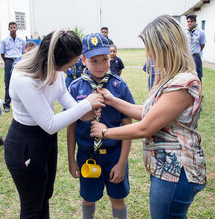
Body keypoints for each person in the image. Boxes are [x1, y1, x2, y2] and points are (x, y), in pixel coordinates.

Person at [90, 15, 206, 219]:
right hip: (166, 170)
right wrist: (113, 100)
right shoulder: (169, 77)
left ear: (165, 46)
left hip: (177, 172)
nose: (149, 54)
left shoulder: (183, 83)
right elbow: (149, 112)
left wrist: (105, 132)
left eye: (150, 47)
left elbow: (145, 127)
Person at [4, 30, 105, 219]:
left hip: (46, 141)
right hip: (26, 143)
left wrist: (83, 112)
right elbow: (50, 123)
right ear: (55, 61)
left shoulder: (53, 67)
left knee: (45, 195)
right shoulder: (24, 78)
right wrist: (86, 104)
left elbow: (62, 93)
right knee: (32, 206)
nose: (69, 69)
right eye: (70, 65)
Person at [67, 33, 134, 219]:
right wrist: (72, 159)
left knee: (117, 198)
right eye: (93, 60)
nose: (100, 65)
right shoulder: (75, 88)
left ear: (110, 57)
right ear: (82, 60)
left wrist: (121, 163)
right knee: (88, 199)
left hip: (114, 154)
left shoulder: (119, 86)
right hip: (87, 155)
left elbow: (127, 126)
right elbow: (70, 127)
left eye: (105, 59)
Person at [0, 21, 26, 112]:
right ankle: (7, 105)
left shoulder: (22, 40)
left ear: (17, 29)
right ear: (8, 29)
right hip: (9, 61)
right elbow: (2, 53)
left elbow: (23, 52)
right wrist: (8, 62)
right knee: (8, 83)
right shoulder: (4, 41)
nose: (13, 29)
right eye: (11, 28)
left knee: (21, 81)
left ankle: (23, 103)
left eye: (14, 27)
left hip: (19, 62)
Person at [185, 14, 206, 83]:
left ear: (195, 22)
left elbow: (202, 44)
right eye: (188, 21)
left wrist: (197, 52)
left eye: (191, 21)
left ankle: (199, 92)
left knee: (198, 75)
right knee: (186, 75)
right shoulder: (184, 32)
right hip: (187, 57)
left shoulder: (201, 32)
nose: (189, 23)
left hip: (196, 57)